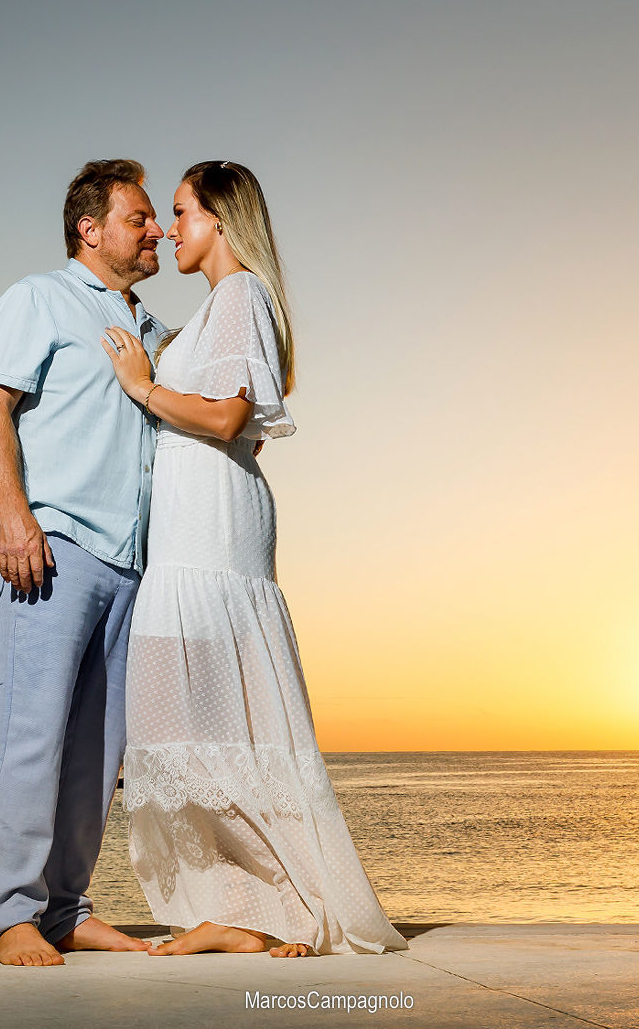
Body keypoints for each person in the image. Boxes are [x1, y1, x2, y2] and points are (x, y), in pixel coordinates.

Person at [103, 161, 407, 956]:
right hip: (186, 528)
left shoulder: (239, 296)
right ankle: (235, 906)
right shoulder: (216, 307)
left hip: (210, 530)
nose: (168, 228)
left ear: (221, 221)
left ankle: (290, 905)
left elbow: (230, 412)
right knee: (182, 727)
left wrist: (141, 387)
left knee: (206, 720)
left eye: (179, 212)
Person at [0, 159, 166, 966]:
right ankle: (10, 916)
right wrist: (16, 518)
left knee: (99, 747)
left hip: (133, 561)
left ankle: (66, 908)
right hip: (49, 546)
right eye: (140, 218)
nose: (154, 230)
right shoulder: (37, 298)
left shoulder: (152, 330)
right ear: (92, 229)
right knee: (30, 734)